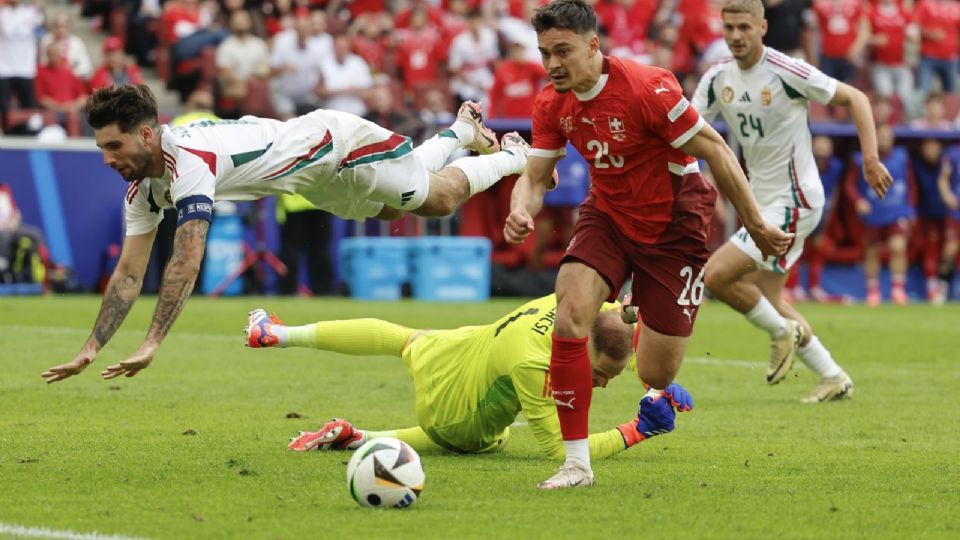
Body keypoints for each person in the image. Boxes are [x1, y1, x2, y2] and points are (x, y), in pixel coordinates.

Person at [40, 83, 541, 384]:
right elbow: (129, 274)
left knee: (437, 201)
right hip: (313, 179)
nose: (106, 159)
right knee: (397, 208)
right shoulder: (142, 190)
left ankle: (515, 153)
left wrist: (153, 341)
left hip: (333, 143)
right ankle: (461, 133)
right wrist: (91, 347)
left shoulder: (187, 163)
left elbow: (186, 258)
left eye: (113, 145)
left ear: (146, 134)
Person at [503, 0, 792, 490]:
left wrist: (755, 223)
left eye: (563, 51)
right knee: (570, 314)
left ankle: (642, 317)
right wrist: (521, 208)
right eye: (545, 53)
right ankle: (576, 465)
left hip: (673, 227)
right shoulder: (552, 102)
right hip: (608, 215)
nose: (552, 64)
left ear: (593, 45)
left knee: (657, 372)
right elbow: (534, 176)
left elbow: (717, 150)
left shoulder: (647, 87)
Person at [692, 0, 892, 403]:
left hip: (795, 199)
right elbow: (686, 129)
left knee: (715, 277)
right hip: (763, 201)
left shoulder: (786, 70)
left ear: (763, 27)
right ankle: (833, 375)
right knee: (769, 301)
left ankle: (784, 332)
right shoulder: (716, 80)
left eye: (744, 27)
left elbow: (856, 98)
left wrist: (870, 158)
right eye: (729, 28)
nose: (735, 36)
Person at [243, 295, 694, 458]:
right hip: (457, 413)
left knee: (400, 337)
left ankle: (276, 334)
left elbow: (621, 332)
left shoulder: (588, 306)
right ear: (579, 353)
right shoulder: (539, 365)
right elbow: (561, 450)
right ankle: (360, 437)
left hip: (454, 348)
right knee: (490, 441)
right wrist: (635, 430)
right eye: (598, 375)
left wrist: (655, 379)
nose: (601, 383)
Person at [849, 124, 914, 306]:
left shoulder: (902, 157)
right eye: (881, 135)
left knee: (898, 248)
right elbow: (850, 185)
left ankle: (898, 289)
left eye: (888, 135)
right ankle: (873, 291)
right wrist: (858, 201)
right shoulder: (860, 159)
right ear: (874, 138)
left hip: (897, 212)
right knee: (871, 251)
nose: (885, 139)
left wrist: (911, 209)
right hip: (873, 212)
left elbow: (911, 184)